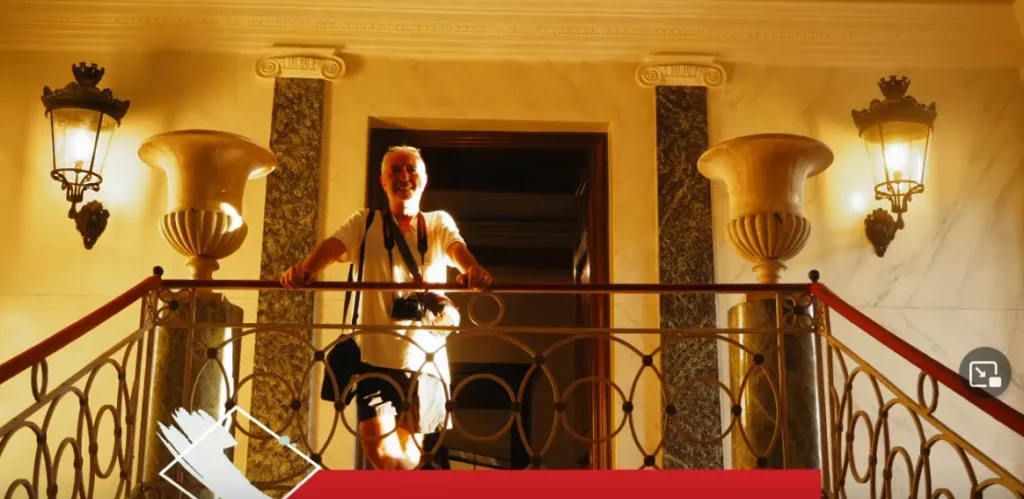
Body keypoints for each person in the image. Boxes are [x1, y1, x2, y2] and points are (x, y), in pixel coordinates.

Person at [280, 145, 492, 470]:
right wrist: (305, 270)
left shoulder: (437, 222)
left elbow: (456, 249)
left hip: (424, 360)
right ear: (383, 181)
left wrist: (472, 270)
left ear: (423, 179)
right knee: (379, 452)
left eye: (410, 169)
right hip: (373, 357)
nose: (403, 176)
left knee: (410, 455)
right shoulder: (365, 222)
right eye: (395, 170)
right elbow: (333, 246)